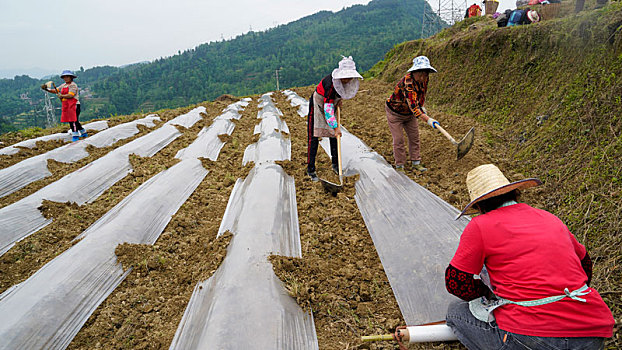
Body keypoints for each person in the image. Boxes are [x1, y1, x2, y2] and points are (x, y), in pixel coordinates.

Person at [445, 164, 614, 349]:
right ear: (514, 193)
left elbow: (456, 282)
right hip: (591, 330)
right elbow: (585, 265)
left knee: (456, 313)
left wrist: (487, 293)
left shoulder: (480, 225)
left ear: (478, 205)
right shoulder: (549, 218)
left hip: (532, 335)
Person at [306, 56, 363, 181]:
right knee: (313, 136)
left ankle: (336, 165)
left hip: (330, 103)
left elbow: (341, 93)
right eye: (346, 76)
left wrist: (339, 100)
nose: (348, 79)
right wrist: (336, 127)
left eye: (350, 77)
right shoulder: (331, 84)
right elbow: (328, 109)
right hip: (318, 103)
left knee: (333, 136)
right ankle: (310, 170)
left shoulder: (345, 82)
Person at [385, 56, 440, 172]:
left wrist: (421, 106)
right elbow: (413, 107)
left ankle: (416, 162)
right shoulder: (408, 82)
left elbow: (421, 95)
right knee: (399, 140)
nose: (423, 77)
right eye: (420, 74)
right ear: (414, 72)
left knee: (414, 137)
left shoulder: (425, 80)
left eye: (425, 74)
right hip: (395, 113)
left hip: (409, 114)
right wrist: (428, 119)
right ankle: (400, 166)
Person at [41, 70, 87, 141]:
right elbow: (56, 90)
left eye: (67, 77)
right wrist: (47, 89)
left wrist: (62, 95)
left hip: (74, 105)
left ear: (71, 77)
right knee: (74, 121)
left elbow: (71, 95)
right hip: (67, 105)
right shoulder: (63, 85)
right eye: (64, 77)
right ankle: (83, 132)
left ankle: (75, 135)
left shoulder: (73, 85)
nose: (65, 78)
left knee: (73, 121)